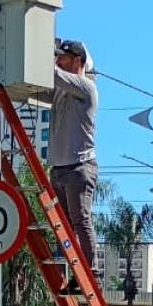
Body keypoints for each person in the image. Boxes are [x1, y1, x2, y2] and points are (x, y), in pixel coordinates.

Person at [49, 38, 99, 292]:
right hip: (59, 168)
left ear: (77, 60)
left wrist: (40, 50)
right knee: (67, 226)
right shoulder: (61, 90)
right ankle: (78, 272)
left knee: (80, 220)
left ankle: (90, 273)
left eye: (62, 56)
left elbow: (53, 75)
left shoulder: (86, 86)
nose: (58, 59)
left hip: (79, 166)